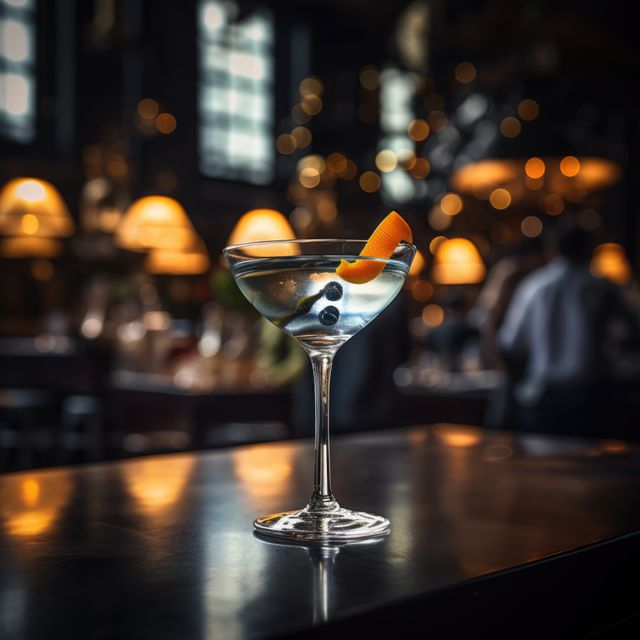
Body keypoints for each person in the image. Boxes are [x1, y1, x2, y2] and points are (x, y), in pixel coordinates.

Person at [497, 224, 640, 439]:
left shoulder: (534, 287)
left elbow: (510, 342)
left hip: (544, 398)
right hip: (594, 396)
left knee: (544, 467)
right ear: (589, 249)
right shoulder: (602, 287)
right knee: (596, 467)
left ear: (551, 249)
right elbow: (632, 333)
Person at [291, 292, 412, 436]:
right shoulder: (389, 297)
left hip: (321, 411)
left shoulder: (323, 293)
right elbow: (404, 350)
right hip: (371, 409)